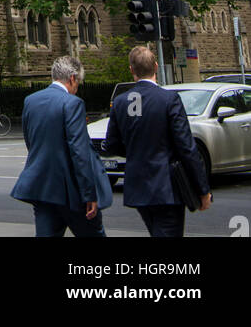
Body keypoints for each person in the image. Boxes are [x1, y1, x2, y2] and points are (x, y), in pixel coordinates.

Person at [102, 45, 211, 237]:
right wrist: (203, 190)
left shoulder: (120, 102)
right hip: (166, 186)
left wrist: (136, 150)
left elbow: (111, 144)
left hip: (138, 186)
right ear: (156, 66)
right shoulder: (169, 99)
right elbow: (186, 147)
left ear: (131, 70)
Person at [11, 55, 112, 237]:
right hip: (71, 192)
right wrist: (89, 194)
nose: (77, 88)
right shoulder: (72, 103)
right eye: (78, 83)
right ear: (72, 78)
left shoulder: (31, 101)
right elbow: (80, 152)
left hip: (42, 187)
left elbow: (31, 141)